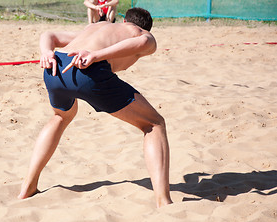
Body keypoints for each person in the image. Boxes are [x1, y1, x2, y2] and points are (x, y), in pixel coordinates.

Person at [18, 8, 173, 208]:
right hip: (88, 71)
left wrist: (46, 52)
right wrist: (96, 55)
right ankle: (164, 200)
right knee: (154, 124)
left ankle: (27, 187)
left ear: (123, 19)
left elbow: (49, 35)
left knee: (61, 116)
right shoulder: (141, 33)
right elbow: (144, 42)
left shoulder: (100, 26)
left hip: (55, 67)